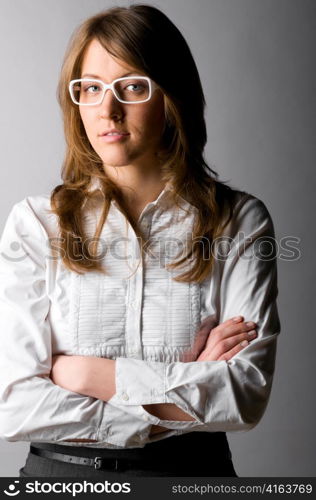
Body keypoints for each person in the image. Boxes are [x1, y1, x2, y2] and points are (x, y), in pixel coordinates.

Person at [0, 4, 281, 478]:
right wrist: (186, 396)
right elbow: (16, 406)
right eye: (90, 88)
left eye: (131, 86)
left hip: (192, 481)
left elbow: (244, 395)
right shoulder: (35, 225)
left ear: (172, 96)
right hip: (60, 482)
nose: (107, 109)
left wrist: (86, 375)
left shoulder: (239, 221)